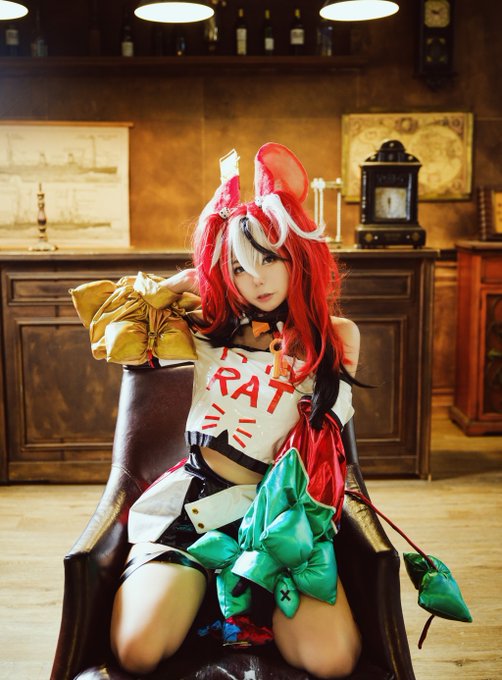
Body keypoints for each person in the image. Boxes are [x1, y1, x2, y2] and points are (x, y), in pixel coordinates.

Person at [76, 143, 362, 678]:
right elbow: (110, 328)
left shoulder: (336, 338)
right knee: (137, 650)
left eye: (269, 258)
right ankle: (202, 594)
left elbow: (330, 430)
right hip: (195, 509)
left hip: (278, 519)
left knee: (332, 660)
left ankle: (231, 599)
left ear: (297, 256)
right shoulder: (204, 326)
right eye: (238, 266)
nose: (257, 279)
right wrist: (184, 282)